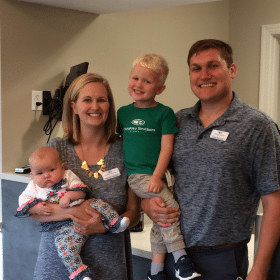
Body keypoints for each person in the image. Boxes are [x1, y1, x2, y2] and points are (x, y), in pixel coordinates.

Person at [141, 39, 280, 280]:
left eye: (213, 66)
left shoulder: (257, 126)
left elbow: (275, 201)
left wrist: (260, 269)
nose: (204, 75)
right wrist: (145, 204)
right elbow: (151, 176)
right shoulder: (175, 122)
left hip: (222, 259)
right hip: (172, 255)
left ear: (231, 70)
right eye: (196, 68)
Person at [30, 73, 140, 280]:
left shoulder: (126, 149)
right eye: (87, 100)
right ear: (73, 106)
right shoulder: (56, 149)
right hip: (59, 267)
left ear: (109, 104)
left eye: (101, 100)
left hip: (109, 264)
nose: (95, 107)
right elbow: (34, 210)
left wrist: (106, 226)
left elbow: (134, 212)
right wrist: (79, 211)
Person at [117, 53, 201, 280]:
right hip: (137, 176)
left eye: (147, 81)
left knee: (159, 221)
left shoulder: (164, 114)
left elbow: (167, 148)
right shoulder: (123, 113)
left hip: (159, 176)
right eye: (135, 78)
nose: (138, 84)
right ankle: (181, 259)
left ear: (160, 88)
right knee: (169, 209)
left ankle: (156, 272)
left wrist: (156, 177)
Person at [16, 146, 130, 280]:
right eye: (40, 173)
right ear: (32, 175)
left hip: (83, 206)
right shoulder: (33, 186)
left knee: (99, 203)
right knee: (65, 249)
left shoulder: (68, 175)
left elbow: (81, 191)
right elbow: (23, 202)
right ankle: (80, 273)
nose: (46, 175)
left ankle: (114, 222)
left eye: (51, 170)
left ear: (62, 167)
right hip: (62, 226)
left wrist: (70, 196)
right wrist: (35, 208)